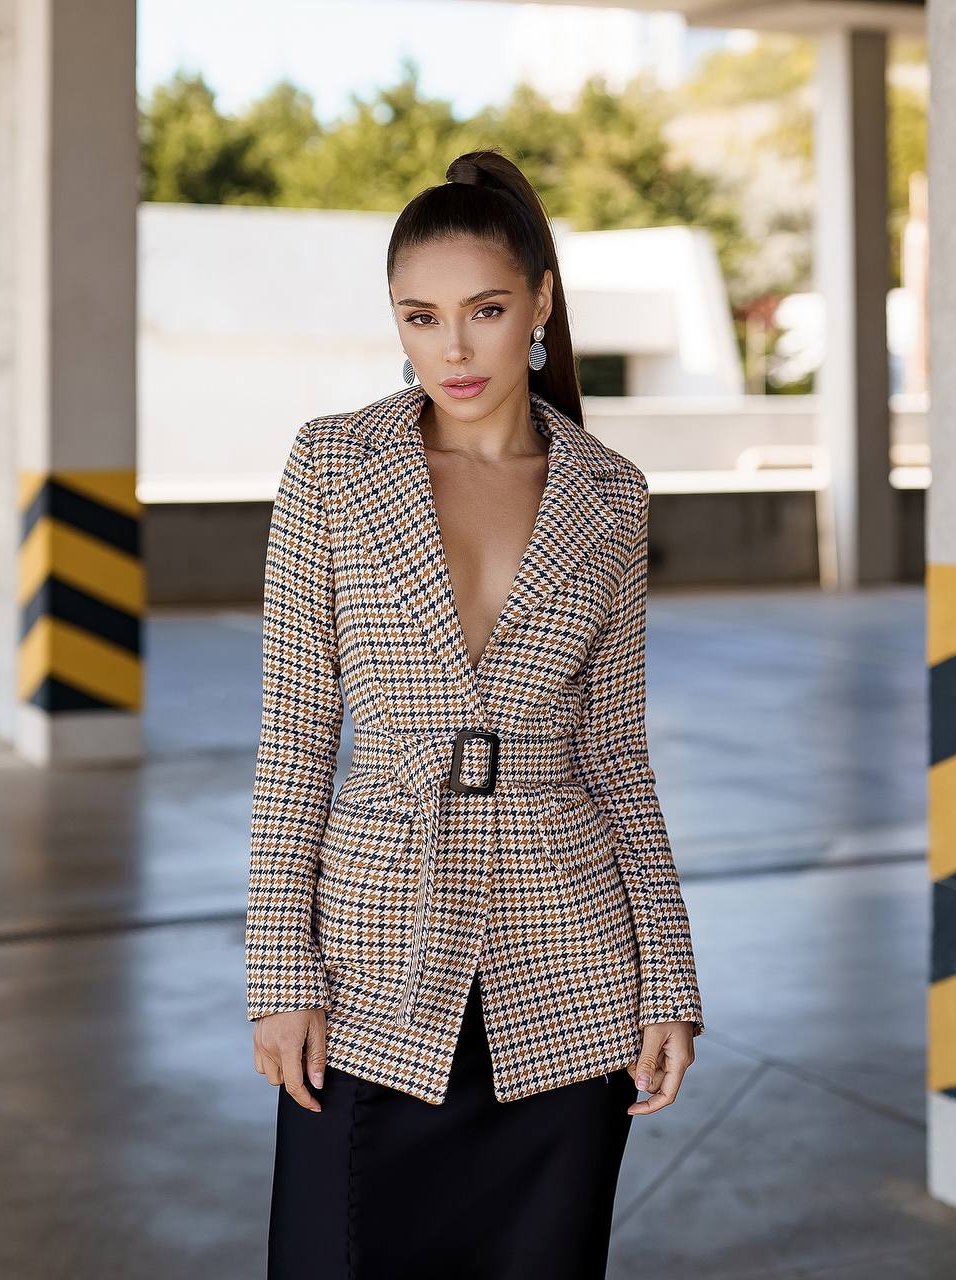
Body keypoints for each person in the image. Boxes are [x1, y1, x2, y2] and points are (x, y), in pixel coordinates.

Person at [245, 148, 705, 1280]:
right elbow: (296, 733)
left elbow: (615, 754)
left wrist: (669, 982)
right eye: (421, 315)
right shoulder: (333, 465)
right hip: (372, 962)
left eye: (485, 310)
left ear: (539, 303)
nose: (451, 347)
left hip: (572, 963)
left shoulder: (610, 491)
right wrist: (279, 974)